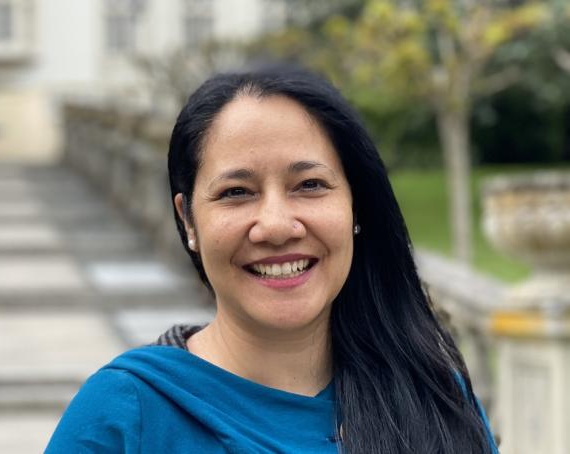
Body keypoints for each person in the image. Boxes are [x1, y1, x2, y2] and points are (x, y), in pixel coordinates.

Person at [45, 64, 499, 453]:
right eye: (236, 193)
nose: (277, 226)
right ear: (189, 222)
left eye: (310, 185)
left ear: (356, 205)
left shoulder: (436, 402)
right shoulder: (127, 415)